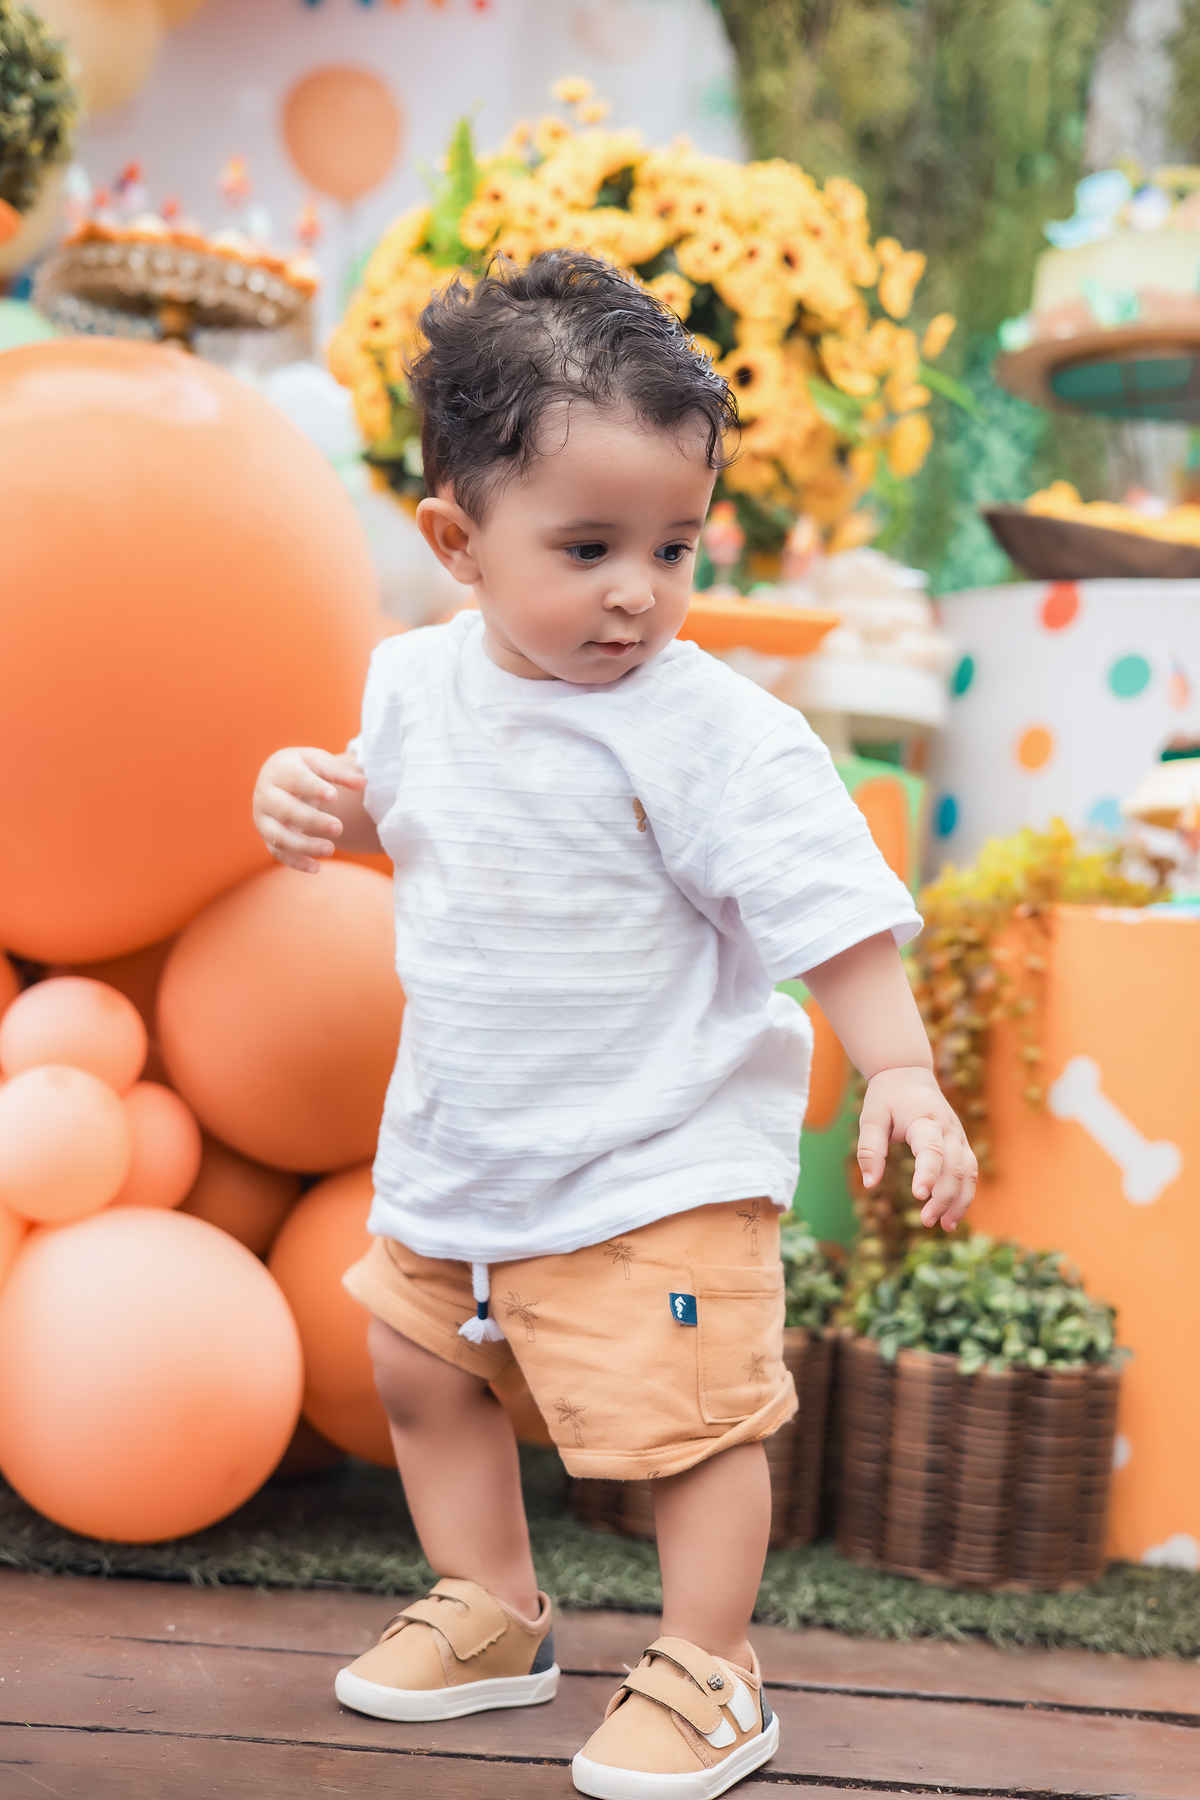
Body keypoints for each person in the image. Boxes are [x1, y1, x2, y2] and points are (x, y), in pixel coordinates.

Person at [252, 250, 976, 1800]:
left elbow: (825, 908)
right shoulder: (413, 686)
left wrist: (903, 1069)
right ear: (457, 542)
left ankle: (715, 1669)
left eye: (674, 545)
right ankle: (494, 1608)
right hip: (468, 1147)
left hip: (658, 1162)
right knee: (417, 1372)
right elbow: (415, 814)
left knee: (689, 1431)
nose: (638, 590)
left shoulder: (713, 733)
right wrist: (316, 799)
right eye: (587, 548)